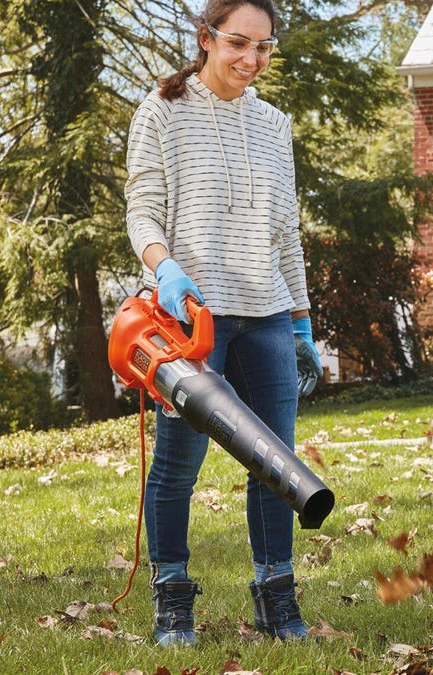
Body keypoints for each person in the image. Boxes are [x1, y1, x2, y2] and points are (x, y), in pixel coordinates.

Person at [124, 0, 325, 646]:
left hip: (266, 313)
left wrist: (300, 320)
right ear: (206, 38)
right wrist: (166, 269)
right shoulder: (161, 112)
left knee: (275, 462)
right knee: (179, 464)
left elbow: (285, 233)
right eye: (239, 44)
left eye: (264, 49)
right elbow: (143, 214)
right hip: (191, 323)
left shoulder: (274, 124)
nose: (251, 60)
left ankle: (276, 597)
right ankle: (173, 600)